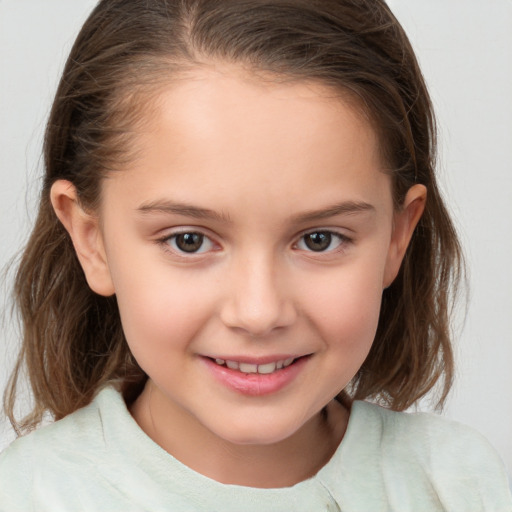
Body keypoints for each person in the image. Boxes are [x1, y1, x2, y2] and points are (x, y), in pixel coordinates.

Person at [0, 0, 510, 509]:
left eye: (319, 239)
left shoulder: (458, 486)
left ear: (398, 236)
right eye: (189, 240)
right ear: (93, 241)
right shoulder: (27, 496)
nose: (259, 312)